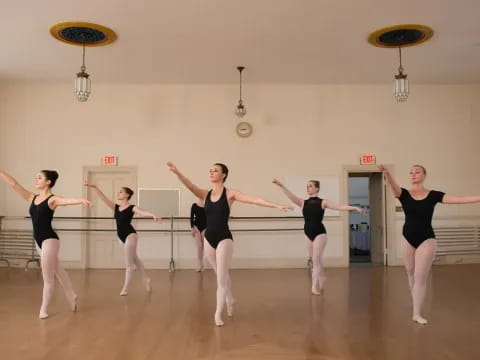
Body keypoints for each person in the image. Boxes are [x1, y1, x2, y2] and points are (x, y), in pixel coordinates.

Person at [167, 161, 292, 326]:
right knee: (221, 273)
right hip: (208, 239)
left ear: (223, 174)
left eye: (215, 170)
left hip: (224, 238)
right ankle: (231, 298)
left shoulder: (230, 194)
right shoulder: (205, 194)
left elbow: (253, 200)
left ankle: (218, 313)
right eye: (210, 170)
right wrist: (177, 173)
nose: (211, 173)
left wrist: (276, 205)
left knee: (221, 278)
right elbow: (190, 185)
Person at [380, 164, 480, 324]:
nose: (413, 174)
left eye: (417, 172)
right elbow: (393, 186)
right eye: (411, 172)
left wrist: (478, 197)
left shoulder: (433, 195)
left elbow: (459, 199)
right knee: (410, 271)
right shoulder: (404, 194)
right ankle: (416, 302)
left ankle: (416, 313)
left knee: (420, 276)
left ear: (424, 175)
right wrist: (387, 174)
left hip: (426, 239)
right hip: (407, 237)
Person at [0, 169, 91, 319]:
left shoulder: (52, 200)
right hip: (38, 240)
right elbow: (14, 184)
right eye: (36, 177)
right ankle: (72, 294)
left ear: (48, 182)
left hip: (50, 239)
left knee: (48, 277)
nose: (36, 180)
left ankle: (43, 309)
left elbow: (66, 201)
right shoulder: (32, 197)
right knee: (57, 269)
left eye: (39, 178)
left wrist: (80, 200)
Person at [272, 178, 365, 295]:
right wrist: (281, 186)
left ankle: (314, 287)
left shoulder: (323, 202)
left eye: (310, 186)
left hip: (320, 233)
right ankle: (321, 277)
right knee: (315, 259)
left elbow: (339, 207)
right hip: (307, 233)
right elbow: (291, 196)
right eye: (307, 186)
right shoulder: (303, 202)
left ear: (317, 188)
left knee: (316, 260)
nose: (308, 188)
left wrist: (354, 208)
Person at [84, 182, 161, 296]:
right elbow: (103, 198)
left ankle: (125, 288)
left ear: (126, 195)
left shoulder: (131, 207)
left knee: (129, 264)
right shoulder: (116, 207)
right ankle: (146, 278)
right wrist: (95, 187)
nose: (118, 193)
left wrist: (153, 215)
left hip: (130, 235)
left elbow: (142, 212)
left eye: (121, 192)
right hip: (120, 237)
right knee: (135, 259)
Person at [190, 201, 206, 272]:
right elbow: (191, 217)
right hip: (196, 227)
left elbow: (211, 216)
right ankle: (199, 265)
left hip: (206, 227)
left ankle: (203, 264)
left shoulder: (208, 205)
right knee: (199, 246)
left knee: (204, 246)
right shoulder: (194, 205)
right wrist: (192, 228)